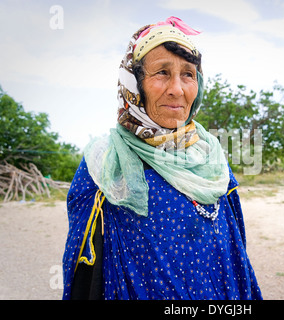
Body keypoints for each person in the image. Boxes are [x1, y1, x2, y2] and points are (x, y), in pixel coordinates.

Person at [62, 16, 262, 300]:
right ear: (135, 84)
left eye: (188, 74)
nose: (177, 89)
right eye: (162, 73)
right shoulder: (107, 161)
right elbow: (81, 270)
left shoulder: (210, 155)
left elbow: (235, 251)